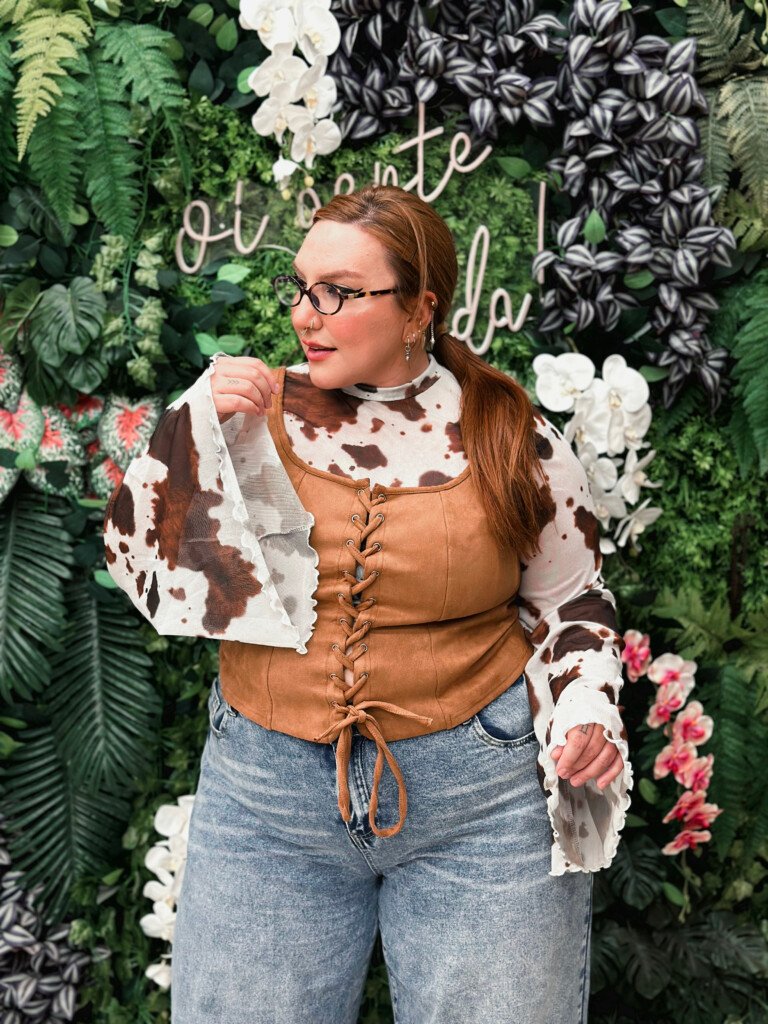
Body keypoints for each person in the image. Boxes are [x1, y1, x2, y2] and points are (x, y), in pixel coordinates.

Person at [104, 184, 632, 1023]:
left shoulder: (510, 435)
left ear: (420, 308)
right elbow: (150, 571)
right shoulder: (251, 415)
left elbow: (574, 600)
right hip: (266, 796)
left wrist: (587, 708)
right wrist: (189, 431)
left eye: (339, 293)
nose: (304, 316)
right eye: (301, 288)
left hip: (478, 802)